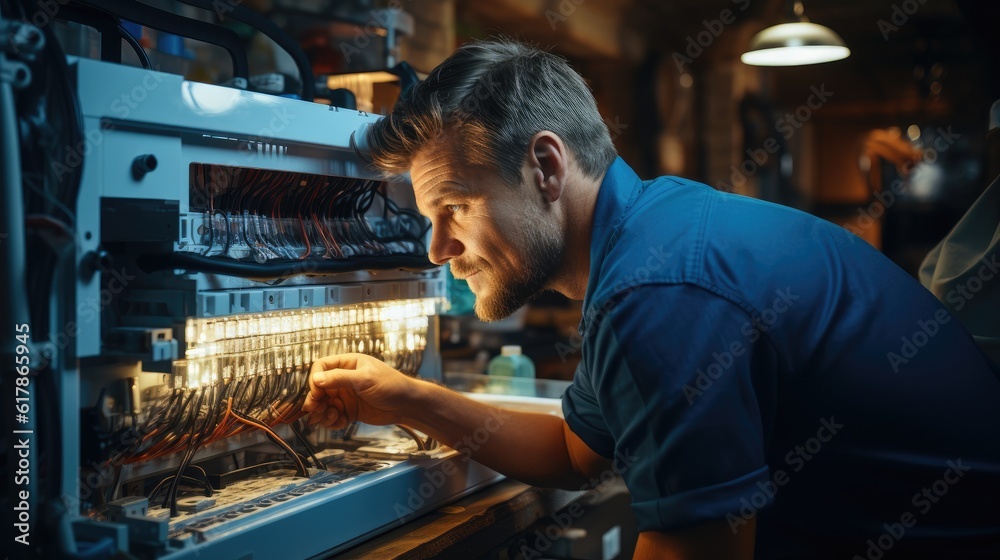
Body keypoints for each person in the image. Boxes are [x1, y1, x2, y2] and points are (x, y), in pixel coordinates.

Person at [302, 39, 1000, 559]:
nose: (437, 247)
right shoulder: (654, 234)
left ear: (547, 166)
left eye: (454, 204)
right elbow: (575, 453)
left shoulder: (656, 292)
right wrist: (404, 397)